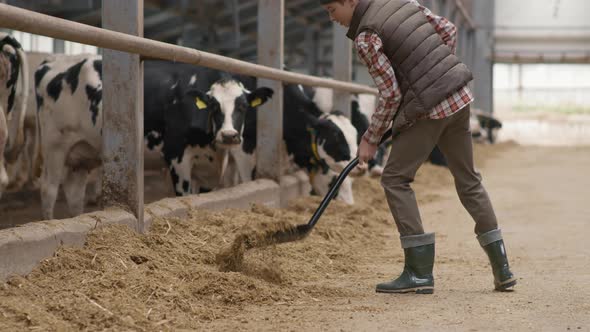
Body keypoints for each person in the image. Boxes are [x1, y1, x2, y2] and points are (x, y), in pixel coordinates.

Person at [319, 0, 516, 294]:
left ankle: (419, 272)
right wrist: (435, 74)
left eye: (333, 10)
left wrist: (370, 138)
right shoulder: (402, 2)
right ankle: (503, 270)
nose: (332, 18)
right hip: (458, 96)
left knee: (395, 179)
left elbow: (389, 94)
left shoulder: (366, 37)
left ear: (349, 2)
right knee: (469, 180)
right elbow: (447, 30)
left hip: (430, 109)